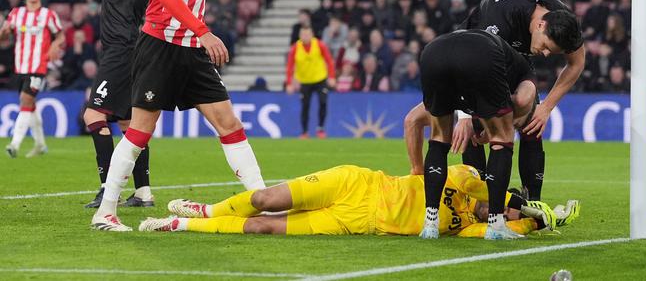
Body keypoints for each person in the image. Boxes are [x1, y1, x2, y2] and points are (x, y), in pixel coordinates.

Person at [90, 0, 266, 232]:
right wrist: (204, 32)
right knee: (141, 130)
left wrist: (199, 34)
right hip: (160, 46)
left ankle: (263, 203)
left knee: (229, 124)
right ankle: (105, 212)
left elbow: (190, 0)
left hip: (192, 50)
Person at [405, 0, 584, 203]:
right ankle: (480, 200)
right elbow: (471, 67)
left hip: (515, 60)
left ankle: (533, 201)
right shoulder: (499, 15)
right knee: (474, 126)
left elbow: (576, 64)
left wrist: (546, 107)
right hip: (472, 54)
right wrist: (466, 115)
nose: (546, 55)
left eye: (552, 52)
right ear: (539, 25)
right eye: (546, 47)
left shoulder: (563, 22)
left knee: (532, 124)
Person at [140, 163, 579, 237]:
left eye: (500, 212)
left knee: (264, 226)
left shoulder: (471, 228)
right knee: (265, 198)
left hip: (357, 223)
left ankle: (181, 225)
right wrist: (520, 201)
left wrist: (538, 221)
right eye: (498, 204)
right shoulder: (467, 181)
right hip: (358, 184)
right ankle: (208, 209)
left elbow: (511, 229)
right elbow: (485, 181)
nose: (494, 210)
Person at [69, 0, 155, 209]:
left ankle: (108, 188)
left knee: (93, 116)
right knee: (126, 122)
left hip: (123, 50)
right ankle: (144, 191)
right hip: (124, 51)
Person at [417, 29, 541, 240]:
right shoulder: (525, 73)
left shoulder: (501, 58)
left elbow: (412, 120)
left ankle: (430, 225)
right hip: (479, 53)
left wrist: (476, 122)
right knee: (502, 141)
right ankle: (496, 226)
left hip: (432, 52)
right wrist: (506, 125)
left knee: (438, 139)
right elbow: (521, 101)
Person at [2, 0, 64, 158]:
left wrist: (54, 46)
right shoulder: (16, 13)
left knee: (25, 99)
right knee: (31, 105)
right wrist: (4, 32)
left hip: (39, 66)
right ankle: (40, 144)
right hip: (20, 66)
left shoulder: (48, 15)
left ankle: (14, 144)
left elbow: (60, 36)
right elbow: (3, 37)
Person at [285, 25, 336, 139]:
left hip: (320, 79)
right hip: (305, 81)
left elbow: (329, 61)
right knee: (305, 106)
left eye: (307, 34)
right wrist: (289, 83)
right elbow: (289, 66)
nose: (305, 37)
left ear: (312, 34)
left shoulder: (319, 45)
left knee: (323, 102)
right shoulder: (295, 48)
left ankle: (321, 129)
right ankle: (304, 132)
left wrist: (332, 76)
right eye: (303, 34)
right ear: (299, 35)